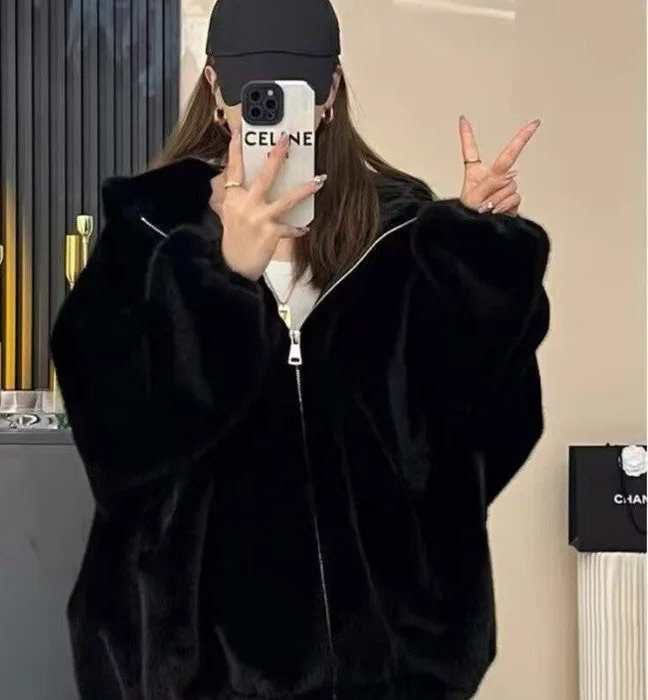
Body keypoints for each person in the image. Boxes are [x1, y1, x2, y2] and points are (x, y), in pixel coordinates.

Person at [49, 1, 550, 698]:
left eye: (300, 86)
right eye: (255, 88)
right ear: (216, 88)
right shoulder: (148, 237)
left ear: (331, 93)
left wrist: (474, 262)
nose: (277, 114)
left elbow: (481, 437)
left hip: (383, 676)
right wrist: (222, 279)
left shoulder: (401, 235)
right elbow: (116, 443)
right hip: (192, 677)